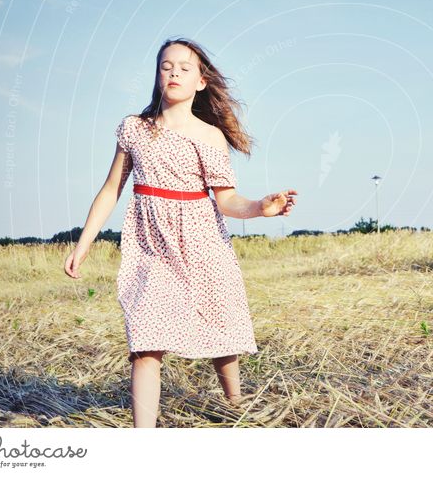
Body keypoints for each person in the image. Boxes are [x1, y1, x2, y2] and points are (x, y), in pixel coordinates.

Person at [63, 37, 297, 427]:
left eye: (184, 68)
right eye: (166, 66)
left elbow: (226, 200)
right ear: (157, 76)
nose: (173, 73)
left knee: (222, 328)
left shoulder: (209, 136)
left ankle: (235, 407)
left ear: (201, 82)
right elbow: (110, 190)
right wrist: (83, 243)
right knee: (145, 342)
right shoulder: (134, 129)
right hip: (150, 246)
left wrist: (259, 208)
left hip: (202, 242)